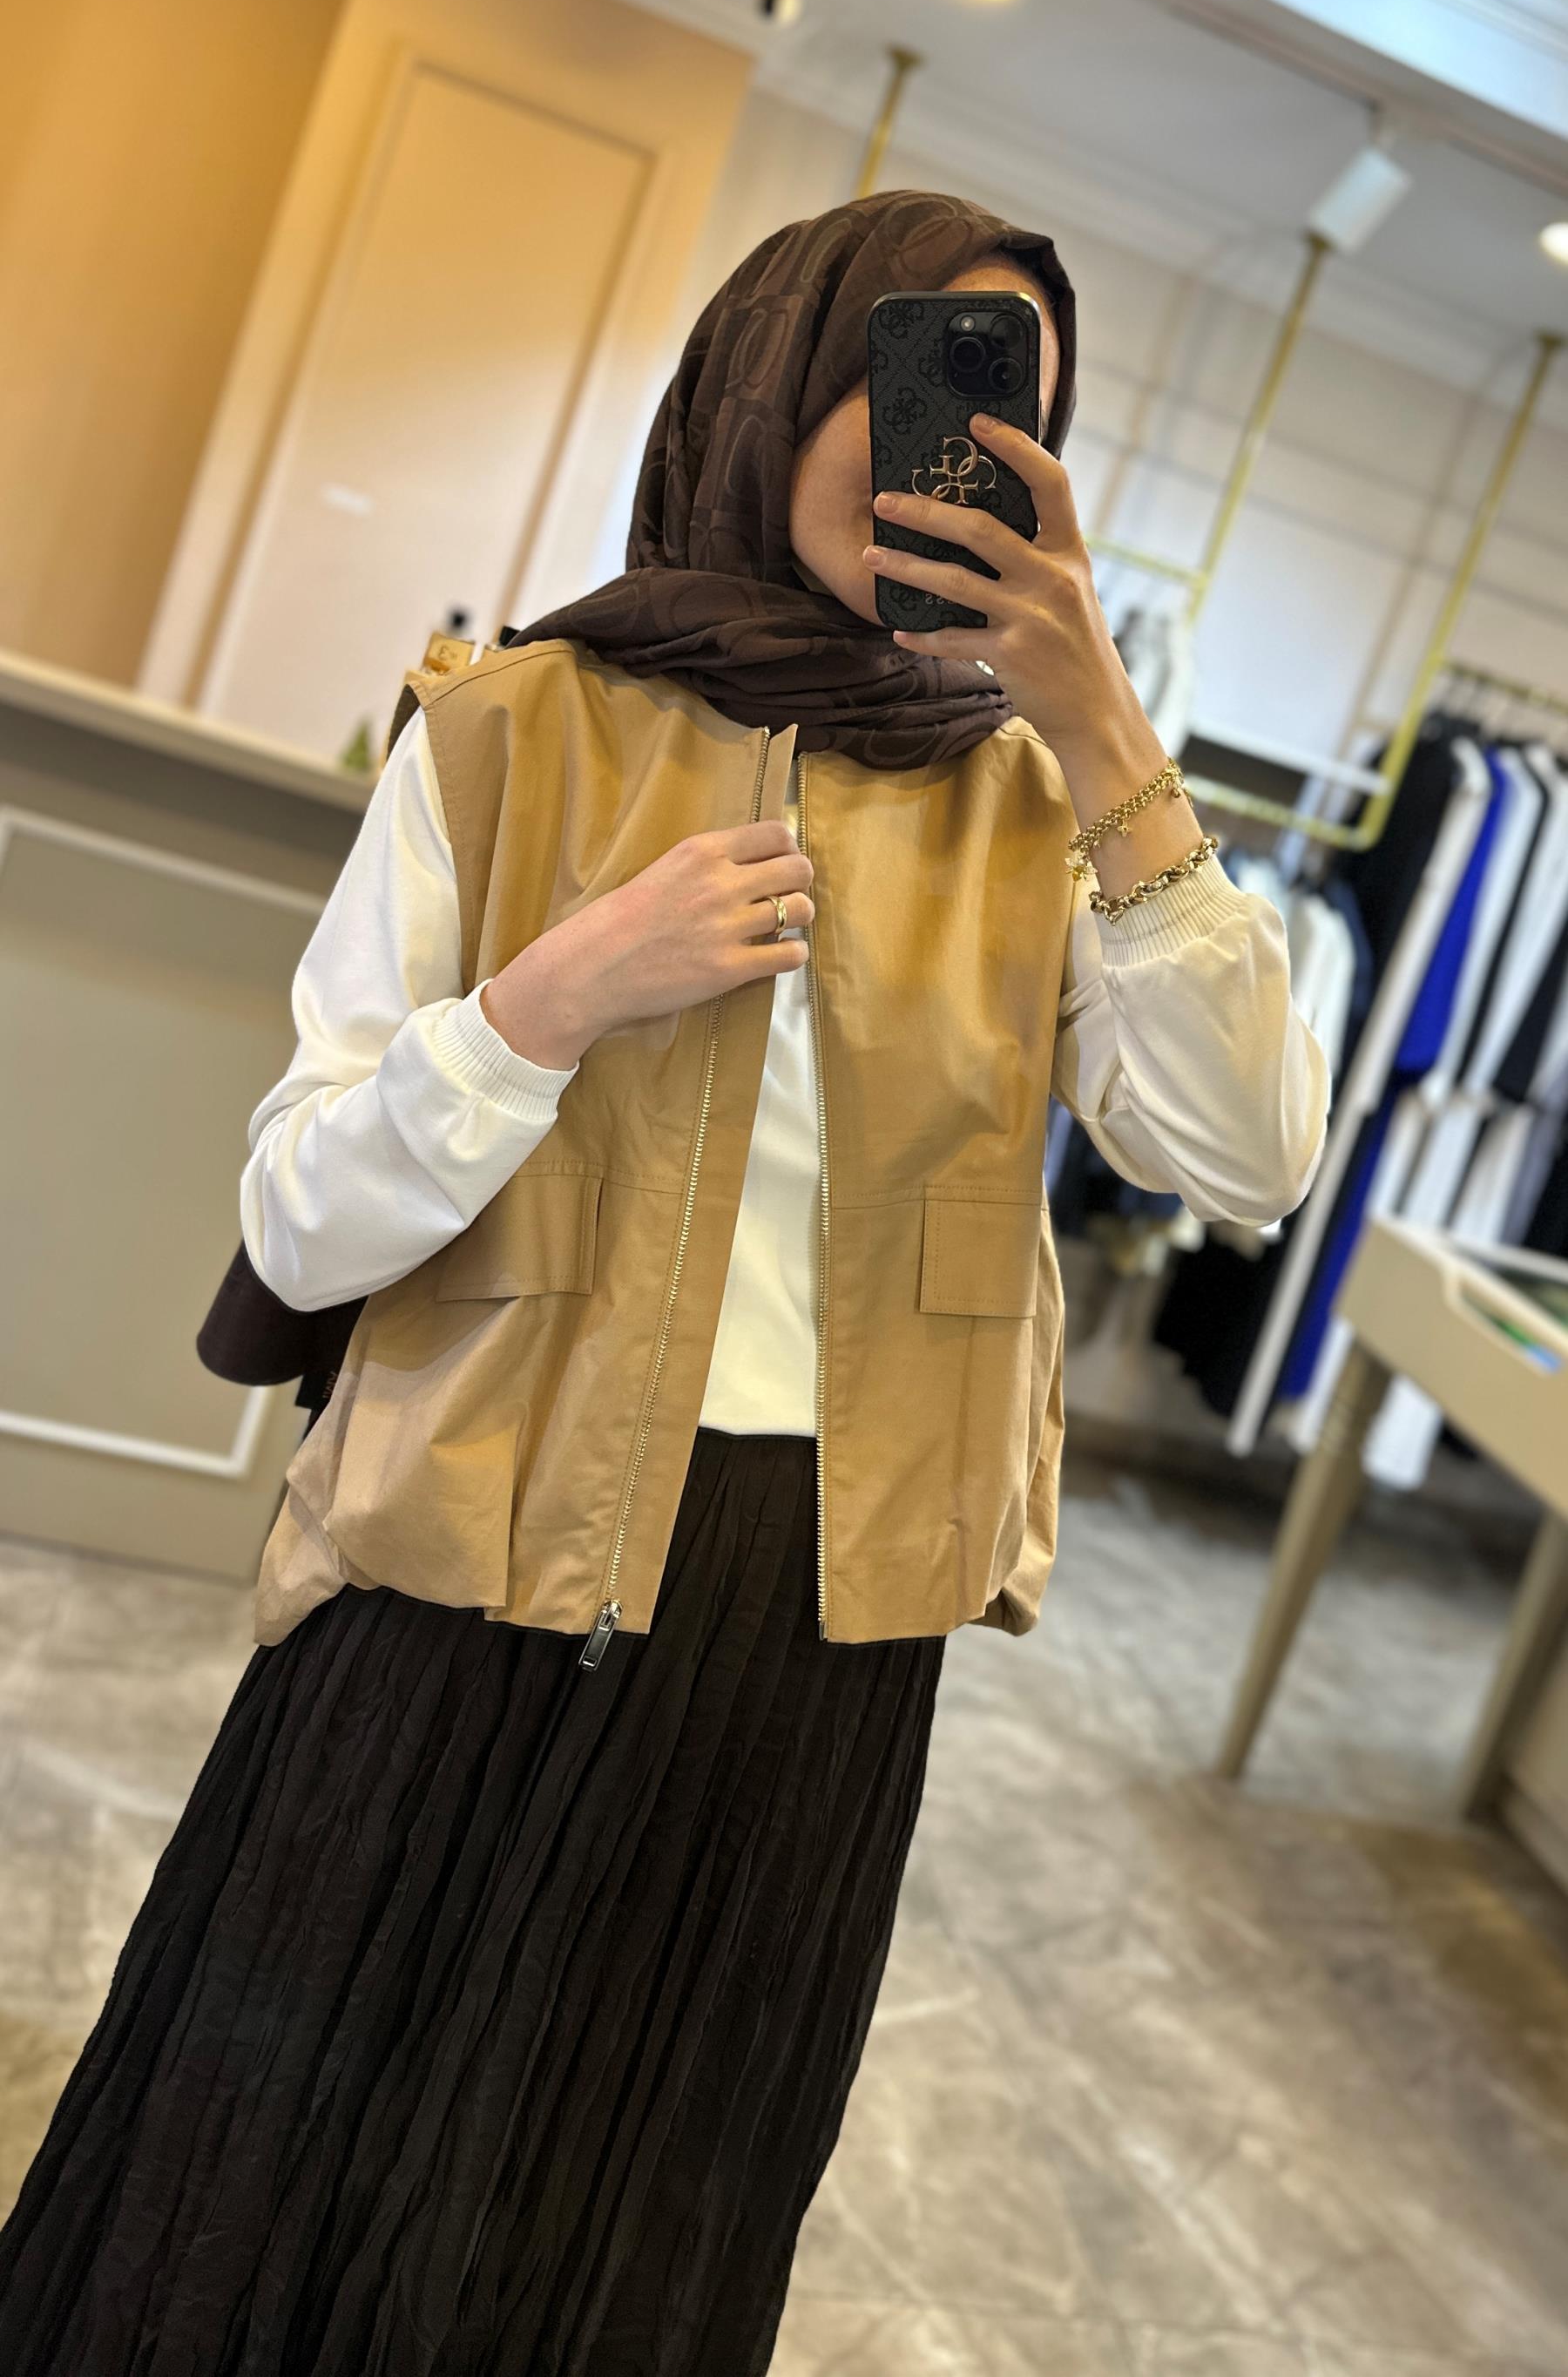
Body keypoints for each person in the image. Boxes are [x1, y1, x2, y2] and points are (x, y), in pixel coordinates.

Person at [0, 193, 1327, 2376]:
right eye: (913, 374)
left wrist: (1104, 732)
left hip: (806, 1644)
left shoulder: (1031, 812)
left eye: (1010, 413)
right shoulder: (507, 726)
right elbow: (299, 1221)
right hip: (460, 1592)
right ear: (776, 377)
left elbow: (1254, 1157)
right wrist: (545, 1002)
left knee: (625, 2226)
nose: (953, 452)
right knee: (275, 2191)